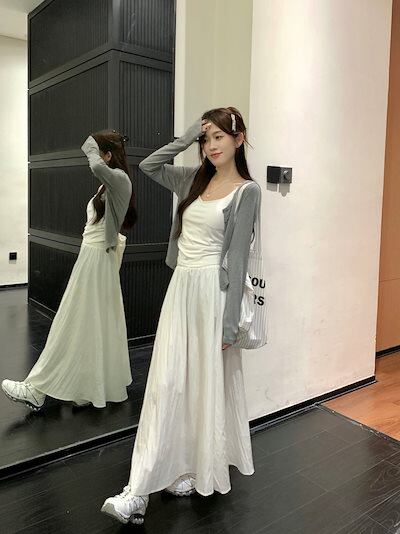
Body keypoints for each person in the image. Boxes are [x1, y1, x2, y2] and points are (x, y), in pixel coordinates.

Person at [101, 107, 261, 525]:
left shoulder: (247, 191)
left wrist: (230, 324)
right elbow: (150, 166)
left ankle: (185, 470)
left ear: (239, 139)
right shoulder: (193, 180)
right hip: (181, 291)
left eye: (219, 137)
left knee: (202, 386)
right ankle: (138, 490)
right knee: (167, 383)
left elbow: (238, 260)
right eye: (207, 139)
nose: (211, 146)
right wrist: (189, 135)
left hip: (214, 296)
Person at [2, 131, 136, 410]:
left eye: (99, 151)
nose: (92, 156)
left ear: (108, 155)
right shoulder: (107, 185)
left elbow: (96, 165)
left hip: (97, 260)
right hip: (92, 258)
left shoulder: (119, 179)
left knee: (71, 322)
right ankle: (85, 387)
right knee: (85, 324)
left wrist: (92, 143)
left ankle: (37, 389)